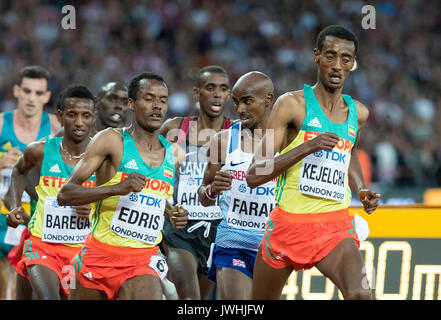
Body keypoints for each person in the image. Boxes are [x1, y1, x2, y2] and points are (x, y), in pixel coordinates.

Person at [246, 25, 381, 300]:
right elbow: (254, 174)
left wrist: (360, 186)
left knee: (361, 294)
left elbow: (350, 150)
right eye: (330, 55)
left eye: (346, 59)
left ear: (353, 64)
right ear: (316, 56)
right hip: (288, 225)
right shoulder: (291, 105)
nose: (337, 65)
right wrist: (308, 147)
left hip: (335, 224)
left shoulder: (359, 113)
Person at [57, 71, 188, 300]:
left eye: (162, 100)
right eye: (149, 99)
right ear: (131, 103)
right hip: (98, 255)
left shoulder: (174, 153)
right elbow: (65, 194)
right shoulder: (111, 140)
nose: (157, 106)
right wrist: (117, 188)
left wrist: (171, 213)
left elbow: (152, 200)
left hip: (142, 258)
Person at [6, 84, 97, 299]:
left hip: (83, 251)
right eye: (72, 115)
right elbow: (18, 173)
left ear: (93, 118)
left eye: (86, 116)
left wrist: (92, 207)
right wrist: (15, 205)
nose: (79, 122)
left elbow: (115, 197)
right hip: (43, 245)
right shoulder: (39, 150)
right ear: (60, 115)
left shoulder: (103, 156)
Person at [198, 71, 276, 299]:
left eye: (247, 101)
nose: (240, 109)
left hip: (271, 248)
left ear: (268, 100)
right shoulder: (223, 140)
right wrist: (213, 190)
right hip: (232, 242)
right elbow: (203, 195)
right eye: (236, 102)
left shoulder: (287, 142)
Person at [158, 65, 232, 299]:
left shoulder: (237, 134)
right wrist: (168, 211)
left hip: (218, 231)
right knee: (190, 298)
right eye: (210, 88)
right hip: (181, 228)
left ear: (229, 95)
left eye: (223, 89)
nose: (217, 94)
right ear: (197, 93)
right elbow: (153, 174)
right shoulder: (176, 129)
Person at [0, 65, 61, 299]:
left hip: (38, 219)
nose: (31, 98)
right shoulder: (1, 124)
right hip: (3, 217)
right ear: (16, 91)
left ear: (46, 96)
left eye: (38, 93)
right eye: (27, 91)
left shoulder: (56, 128)